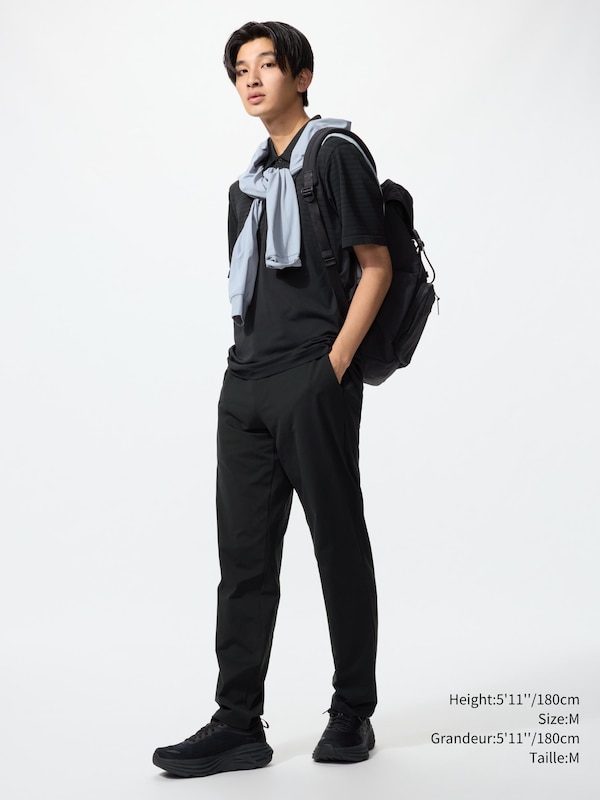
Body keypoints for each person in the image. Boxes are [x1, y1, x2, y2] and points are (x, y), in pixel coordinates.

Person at [152, 20, 392, 778]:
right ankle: (237, 722)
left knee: (336, 543)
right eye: (240, 70)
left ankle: (352, 711)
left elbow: (376, 265)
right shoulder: (248, 184)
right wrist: (243, 371)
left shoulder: (336, 154)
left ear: (302, 75)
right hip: (246, 384)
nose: (251, 79)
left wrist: (333, 366)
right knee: (244, 559)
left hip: (312, 379)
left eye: (267, 65)